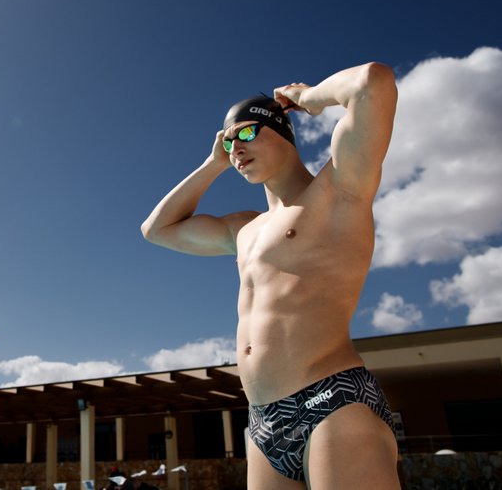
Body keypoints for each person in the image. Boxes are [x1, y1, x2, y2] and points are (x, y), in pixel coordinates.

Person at [141, 62, 400, 489]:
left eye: (246, 133)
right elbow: (157, 230)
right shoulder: (244, 229)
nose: (236, 148)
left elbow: (373, 83)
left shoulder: (339, 190)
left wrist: (308, 97)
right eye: (229, 140)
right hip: (264, 422)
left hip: (331, 399)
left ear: (282, 131)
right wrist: (213, 163)